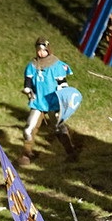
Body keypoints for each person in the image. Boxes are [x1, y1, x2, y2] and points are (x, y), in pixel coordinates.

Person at [19, 37, 78, 165]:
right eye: (38, 50)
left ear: (48, 50)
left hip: (53, 102)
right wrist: (28, 89)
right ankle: (27, 153)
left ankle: (71, 152)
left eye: (44, 50)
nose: (41, 53)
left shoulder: (57, 65)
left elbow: (63, 84)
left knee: (59, 128)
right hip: (38, 102)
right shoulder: (32, 65)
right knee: (29, 129)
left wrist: (64, 98)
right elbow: (28, 81)